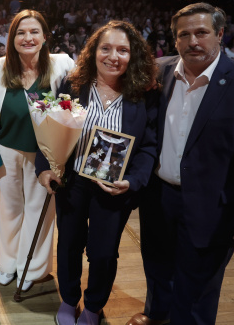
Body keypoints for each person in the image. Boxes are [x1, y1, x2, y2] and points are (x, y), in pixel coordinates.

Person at [128, 3, 234, 325]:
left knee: (197, 290)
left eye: (201, 32)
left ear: (219, 34)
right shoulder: (157, 72)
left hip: (214, 207)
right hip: (158, 199)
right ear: (175, 39)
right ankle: (157, 316)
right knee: (157, 268)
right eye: (184, 35)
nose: (193, 42)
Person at [37, 20, 158, 325]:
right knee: (68, 245)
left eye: (122, 50)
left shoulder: (143, 94)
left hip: (113, 187)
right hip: (73, 182)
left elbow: (148, 147)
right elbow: (50, 127)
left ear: (133, 55)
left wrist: (133, 181)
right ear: (93, 51)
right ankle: (69, 300)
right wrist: (44, 168)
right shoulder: (73, 85)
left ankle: (93, 306)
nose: (113, 56)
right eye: (106, 48)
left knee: (103, 253)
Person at [0, 10, 75, 291]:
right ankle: (7, 263)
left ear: (45, 36)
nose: (28, 38)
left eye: (34, 32)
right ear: (11, 38)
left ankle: (31, 267)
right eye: (21, 33)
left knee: (39, 210)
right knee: (7, 208)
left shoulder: (61, 65)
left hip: (44, 155)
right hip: (6, 149)